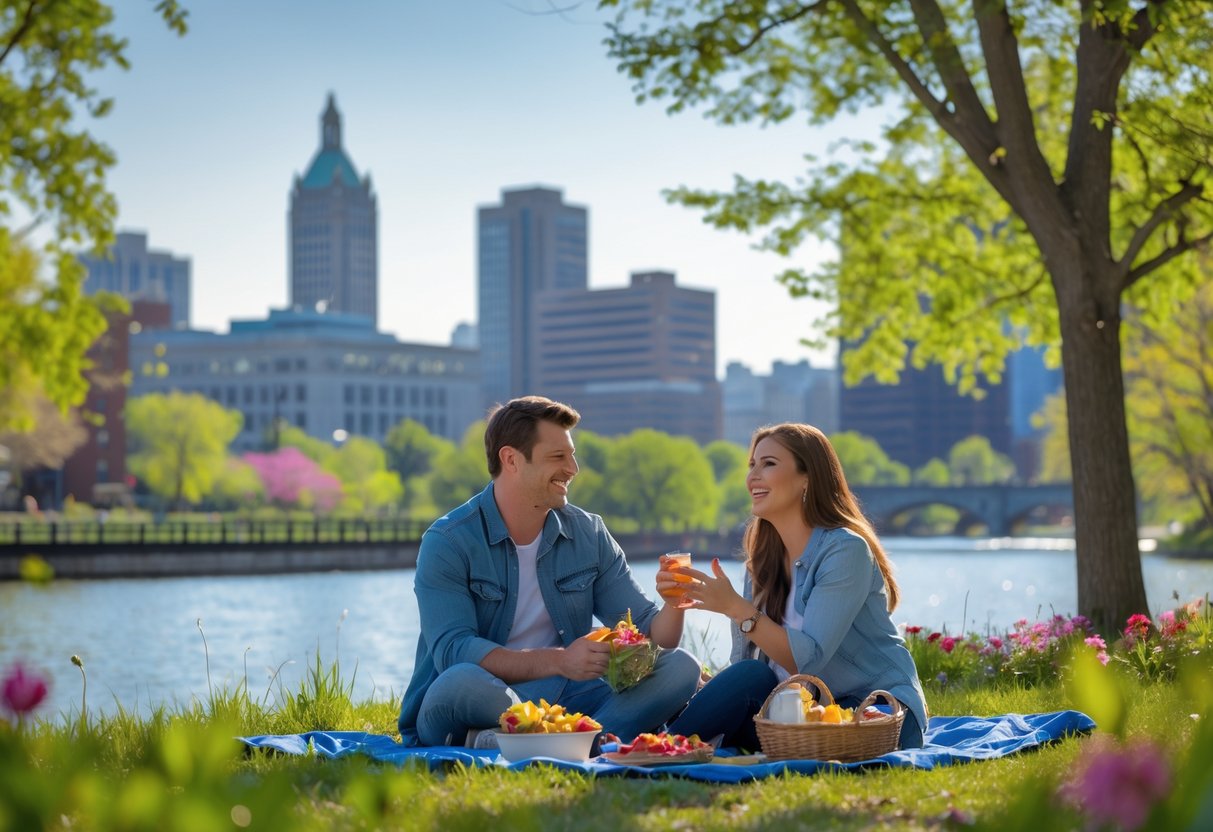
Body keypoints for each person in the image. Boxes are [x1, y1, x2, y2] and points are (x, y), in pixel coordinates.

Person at [397, 395, 701, 747]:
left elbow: (653, 634)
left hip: (567, 695)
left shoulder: (589, 533)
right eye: (558, 457)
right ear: (511, 459)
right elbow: (453, 650)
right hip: (478, 696)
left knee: (681, 667)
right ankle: (573, 736)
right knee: (462, 679)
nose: (573, 468)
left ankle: (542, 741)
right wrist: (560, 661)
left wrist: (674, 603)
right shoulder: (448, 541)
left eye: (571, 455)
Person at [666, 422, 928, 751]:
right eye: (752, 465)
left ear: (807, 478)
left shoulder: (845, 550)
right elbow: (748, 668)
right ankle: (659, 745)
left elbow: (809, 660)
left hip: (871, 714)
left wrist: (735, 608)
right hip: (794, 716)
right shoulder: (762, 562)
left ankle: (657, 748)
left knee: (750, 679)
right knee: (735, 678)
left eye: (769, 464)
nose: (753, 477)